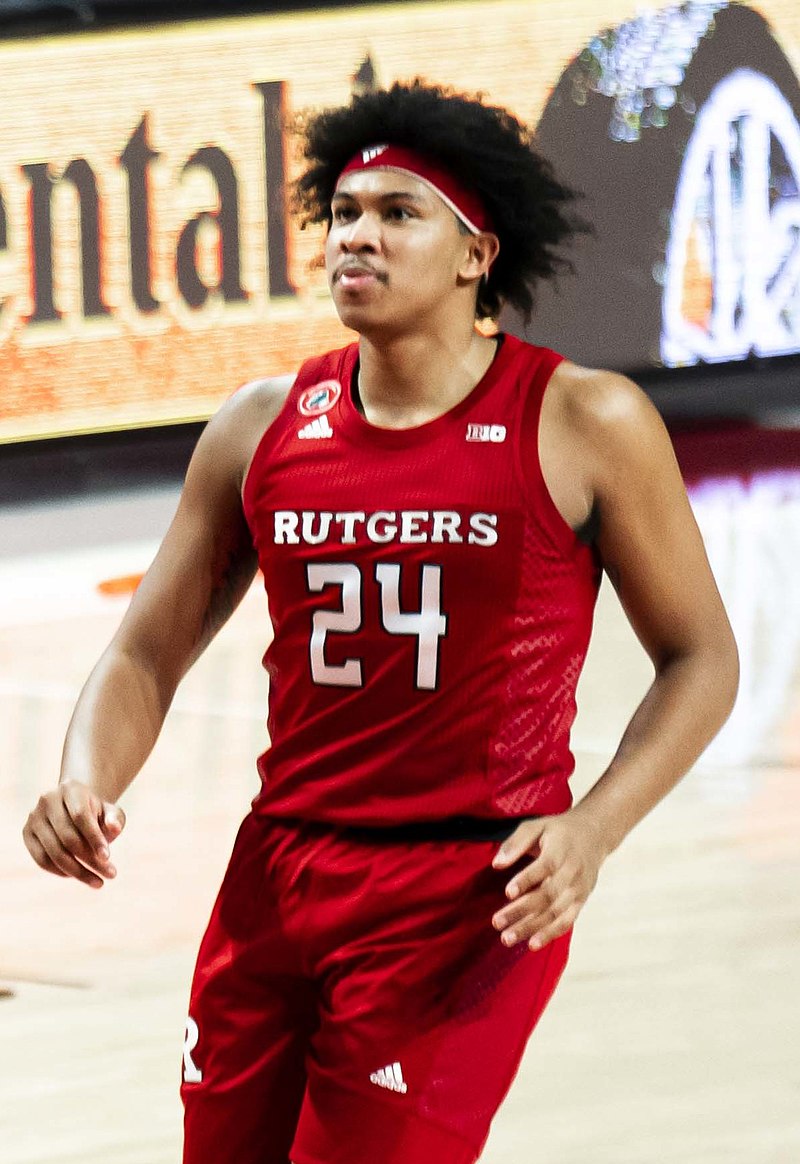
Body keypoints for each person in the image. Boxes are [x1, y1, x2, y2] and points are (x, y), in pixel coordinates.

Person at [23, 81, 738, 1164]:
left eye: (398, 213)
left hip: (461, 898)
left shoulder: (582, 420)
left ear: (474, 254)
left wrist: (592, 829)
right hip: (275, 876)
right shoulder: (261, 425)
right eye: (344, 213)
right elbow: (146, 648)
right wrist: (86, 778)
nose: (356, 236)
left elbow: (700, 659)